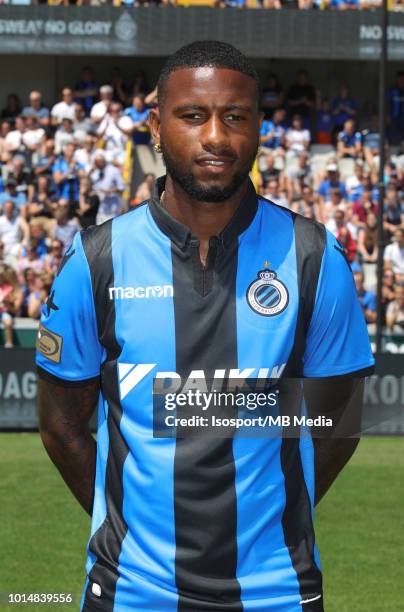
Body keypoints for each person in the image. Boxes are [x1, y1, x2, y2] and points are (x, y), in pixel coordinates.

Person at [36, 41, 374, 612]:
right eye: (193, 116)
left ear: (259, 128)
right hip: (131, 591)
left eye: (235, 117)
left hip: (277, 592)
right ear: (156, 127)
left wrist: (272, 515)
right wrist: (133, 528)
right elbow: (61, 429)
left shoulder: (315, 257)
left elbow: (336, 424)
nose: (216, 137)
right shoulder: (95, 260)